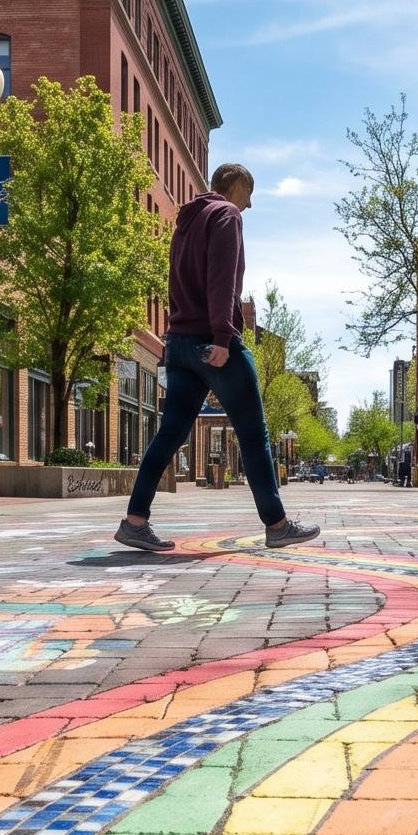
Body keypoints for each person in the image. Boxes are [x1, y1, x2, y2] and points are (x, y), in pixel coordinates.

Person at [114, 163, 318, 553]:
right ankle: (277, 524)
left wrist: (176, 335)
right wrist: (223, 338)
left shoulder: (185, 223)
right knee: (254, 434)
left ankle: (135, 520)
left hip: (178, 341)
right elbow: (224, 278)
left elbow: (175, 283)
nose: (250, 205)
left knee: (170, 432)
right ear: (235, 185)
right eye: (250, 193)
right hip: (212, 342)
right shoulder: (226, 214)